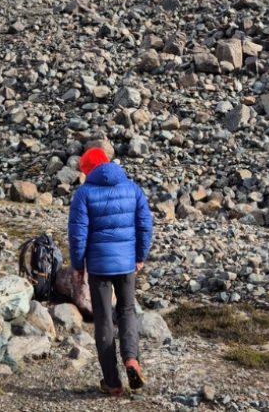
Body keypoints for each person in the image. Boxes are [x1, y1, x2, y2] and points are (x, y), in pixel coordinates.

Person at [68, 147, 154, 396]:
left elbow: (77, 235)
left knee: (104, 319)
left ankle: (113, 383)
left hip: (98, 267)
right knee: (127, 312)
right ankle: (131, 359)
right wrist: (140, 255)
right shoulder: (132, 188)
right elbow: (145, 224)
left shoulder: (83, 194)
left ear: (88, 170)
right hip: (126, 265)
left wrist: (77, 266)